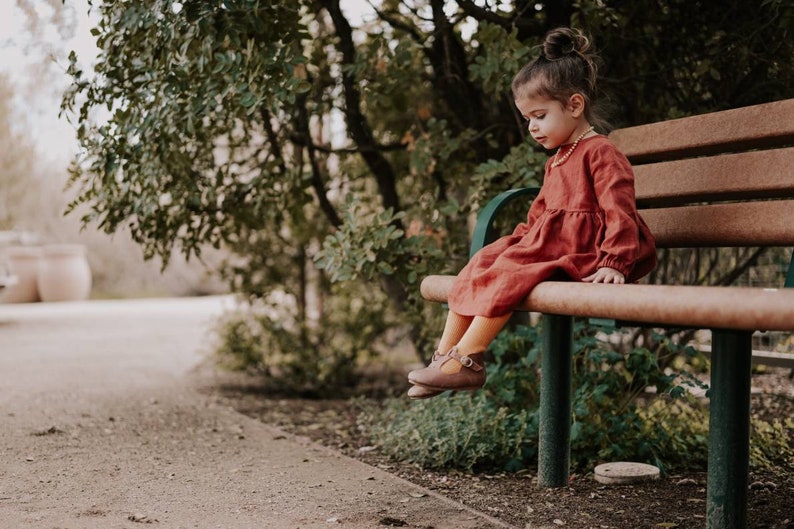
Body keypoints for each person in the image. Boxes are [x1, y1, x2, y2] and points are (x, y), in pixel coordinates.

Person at [407, 27, 657, 399]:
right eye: (527, 119)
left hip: (586, 252)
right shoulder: (557, 159)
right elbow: (540, 214)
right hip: (555, 245)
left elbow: (619, 208)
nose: (532, 127)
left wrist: (614, 262)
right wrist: (515, 242)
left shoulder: (600, 151)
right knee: (483, 261)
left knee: (511, 269)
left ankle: (468, 359)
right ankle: (444, 357)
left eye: (539, 115)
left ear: (574, 105)